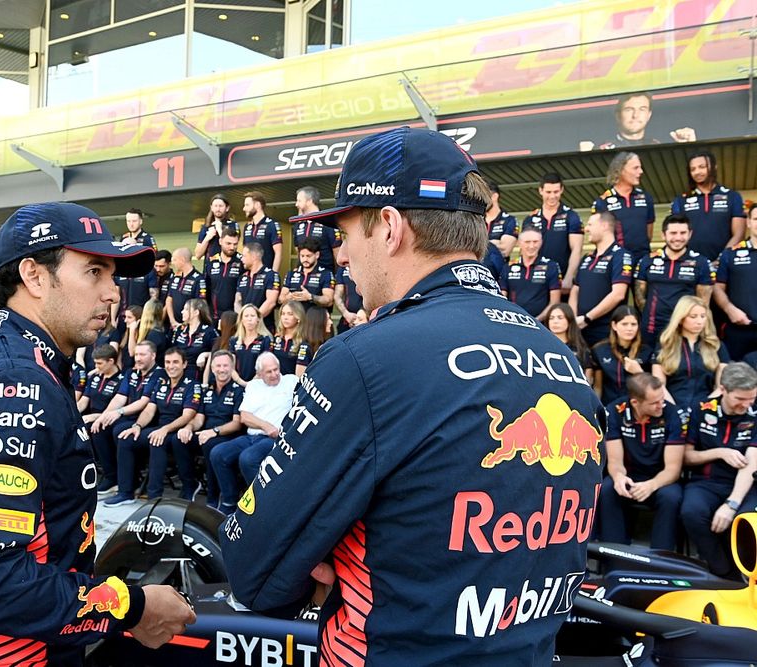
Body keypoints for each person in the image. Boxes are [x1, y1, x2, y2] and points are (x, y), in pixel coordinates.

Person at [220, 127, 604, 665]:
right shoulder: (560, 356)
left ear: (390, 226)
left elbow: (250, 566)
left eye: (346, 231)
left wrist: (327, 559)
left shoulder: (365, 356)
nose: (342, 254)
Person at [0, 201, 193, 665]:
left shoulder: (26, 368)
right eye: (94, 272)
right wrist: (131, 607)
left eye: (113, 276)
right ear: (35, 276)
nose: (113, 294)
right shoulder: (13, 386)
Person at [680, 363, 757, 577]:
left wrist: (731, 504)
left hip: (746, 485)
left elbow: (751, 464)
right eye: (740, 399)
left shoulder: (755, 413)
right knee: (692, 512)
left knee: (745, 520)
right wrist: (720, 452)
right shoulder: (701, 408)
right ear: (723, 390)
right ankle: (724, 574)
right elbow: (687, 456)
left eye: (751, 398)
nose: (747, 404)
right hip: (706, 482)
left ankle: (749, 577)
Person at [599, 373, 685, 550]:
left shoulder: (673, 413)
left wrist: (652, 485)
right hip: (630, 475)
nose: (661, 405)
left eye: (662, 399)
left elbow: (673, 469)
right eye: (654, 403)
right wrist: (619, 478)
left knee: (671, 497)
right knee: (607, 489)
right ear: (635, 402)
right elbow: (615, 462)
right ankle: (615, 557)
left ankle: (661, 560)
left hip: (661, 478)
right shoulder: (615, 411)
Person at [108, 347, 202, 505]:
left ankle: (154, 497)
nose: (171, 366)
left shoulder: (192, 385)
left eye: (175, 362)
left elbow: (188, 415)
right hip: (159, 428)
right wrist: (137, 426)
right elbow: (149, 410)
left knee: (157, 440)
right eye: (168, 362)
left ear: (184, 364)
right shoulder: (161, 382)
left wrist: (165, 430)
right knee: (126, 438)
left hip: (178, 430)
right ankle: (125, 492)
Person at [209, 352, 297, 514]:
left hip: (275, 439)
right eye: (268, 372)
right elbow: (245, 416)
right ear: (260, 374)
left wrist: (275, 430)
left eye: (276, 369)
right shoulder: (254, 386)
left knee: (248, 458)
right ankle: (229, 501)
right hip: (252, 435)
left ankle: (263, 503)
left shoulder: (290, 381)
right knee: (218, 453)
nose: (274, 374)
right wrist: (266, 426)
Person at [634, 213, 714, 347]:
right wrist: (651, 314)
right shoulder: (647, 260)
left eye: (683, 233)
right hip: (651, 329)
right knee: (648, 366)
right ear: (663, 235)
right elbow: (639, 296)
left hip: (683, 329)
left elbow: (703, 302)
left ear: (690, 234)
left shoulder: (701, 262)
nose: (678, 238)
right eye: (673, 233)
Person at [92, 340, 162, 492]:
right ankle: (111, 476)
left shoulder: (159, 374)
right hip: (129, 416)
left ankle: (130, 480)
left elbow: (144, 402)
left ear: (153, 356)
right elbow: (120, 397)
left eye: (142, 354)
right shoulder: (131, 372)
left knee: (120, 431)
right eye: (136, 354)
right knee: (100, 427)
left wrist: (119, 412)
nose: (138, 358)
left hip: (148, 419)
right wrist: (104, 416)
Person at [183, 349, 244, 510]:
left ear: (232, 368)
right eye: (218, 366)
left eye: (225, 365)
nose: (221, 369)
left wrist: (214, 432)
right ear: (212, 368)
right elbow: (199, 418)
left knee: (210, 445)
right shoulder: (207, 389)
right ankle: (190, 486)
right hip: (205, 433)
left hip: (227, 435)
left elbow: (237, 423)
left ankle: (213, 496)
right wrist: (188, 427)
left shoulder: (239, 391)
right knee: (179, 440)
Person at [652, 295, 729, 409]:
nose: (699, 321)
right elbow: (659, 385)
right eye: (693, 317)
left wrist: (704, 407)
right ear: (681, 318)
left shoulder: (716, 345)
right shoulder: (665, 344)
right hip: (672, 405)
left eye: (703, 316)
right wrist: (674, 409)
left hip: (707, 407)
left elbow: (721, 386)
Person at [570, 211, 633, 347]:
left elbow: (618, 294)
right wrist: (574, 319)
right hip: (580, 329)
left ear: (604, 226)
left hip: (605, 331)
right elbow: (575, 290)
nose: (586, 229)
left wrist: (587, 318)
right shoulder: (587, 258)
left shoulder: (621, 256)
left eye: (590, 224)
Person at [670, 151, 746, 261]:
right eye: (693, 169)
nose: (697, 172)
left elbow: (739, 234)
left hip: (725, 265)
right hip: (690, 266)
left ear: (714, 167)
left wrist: (721, 260)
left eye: (702, 167)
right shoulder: (681, 200)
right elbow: (676, 235)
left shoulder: (732, 196)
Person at [519, 173, 583, 290]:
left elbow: (577, 249)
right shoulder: (530, 219)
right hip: (535, 281)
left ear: (562, 190)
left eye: (556, 192)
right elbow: (523, 250)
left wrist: (568, 278)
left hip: (561, 282)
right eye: (548, 192)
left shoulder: (571, 216)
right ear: (540, 191)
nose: (552, 196)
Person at [592, 152, 655, 267]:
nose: (641, 171)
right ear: (620, 170)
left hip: (643, 263)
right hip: (615, 263)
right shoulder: (602, 202)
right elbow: (599, 237)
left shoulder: (646, 198)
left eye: (640, 167)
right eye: (636, 168)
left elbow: (648, 234)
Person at [713, 203, 757, 361]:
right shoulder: (730, 254)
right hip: (738, 329)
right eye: (756, 219)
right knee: (736, 378)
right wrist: (729, 309)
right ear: (749, 222)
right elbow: (717, 288)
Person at [592, 92, 696, 149]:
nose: (635, 115)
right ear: (618, 115)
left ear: (649, 115)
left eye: (642, 109)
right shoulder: (601, 149)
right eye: (629, 109)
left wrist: (689, 148)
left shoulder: (658, 147)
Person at [591, 306, 651, 405]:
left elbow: (653, 387)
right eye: (624, 324)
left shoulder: (646, 351)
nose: (629, 328)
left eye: (633, 324)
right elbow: (598, 386)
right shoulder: (600, 350)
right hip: (610, 405)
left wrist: (639, 372)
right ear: (614, 325)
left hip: (637, 407)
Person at [503, 226, 561, 321]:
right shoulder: (507, 267)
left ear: (541, 242)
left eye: (535, 242)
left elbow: (554, 302)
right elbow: (502, 299)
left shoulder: (551, 266)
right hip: (514, 322)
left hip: (541, 324)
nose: (531, 246)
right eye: (527, 242)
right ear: (519, 243)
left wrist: (536, 320)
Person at [279, 238, 336, 314]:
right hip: (295, 320)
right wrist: (289, 297)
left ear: (317, 255)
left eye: (308, 256)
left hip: (315, 320)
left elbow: (329, 300)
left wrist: (310, 297)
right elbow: (280, 299)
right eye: (302, 256)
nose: (305, 259)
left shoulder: (326, 274)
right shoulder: (291, 274)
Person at [293, 186, 342, 272]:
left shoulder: (327, 223)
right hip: (303, 278)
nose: (296, 204)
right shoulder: (298, 225)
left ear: (309, 201)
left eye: (299, 200)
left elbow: (337, 253)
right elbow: (298, 252)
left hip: (326, 279)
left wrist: (338, 278)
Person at [234, 241, 280, 332]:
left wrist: (254, 320)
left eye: (244, 256)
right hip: (244, 329)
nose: (242, 259)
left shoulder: (270, 275)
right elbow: (237, 302)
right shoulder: (243, 277)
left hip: (264, 328)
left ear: (254, 257)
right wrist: (243, 319)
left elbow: (271, 302)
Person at [169, 298, 216, 382]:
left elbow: (218, 352)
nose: (182, 312)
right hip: (177, 372)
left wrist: (205, 354)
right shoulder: (180, 330)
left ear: (196, 312)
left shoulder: (209, 331)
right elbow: (172, 351)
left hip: (197, 375)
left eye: (186, 309)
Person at [226, 303, 271, 385]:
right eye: (246, 316)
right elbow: (231, 366)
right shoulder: (234, 340)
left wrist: (251, 384)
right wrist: (241, 382)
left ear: (258, 319)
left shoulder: (265, 340)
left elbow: (265, 366)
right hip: (237, 384)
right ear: (242, 320)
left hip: (259, 384)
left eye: (252, 316)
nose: (249, 319)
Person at [546, 303, 593, 381]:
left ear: (569, 320)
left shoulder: (580, 348)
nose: (555, 321)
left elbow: (587, 380)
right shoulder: (541, 346)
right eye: (551, 318)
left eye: (560, 318)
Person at [78, 345, 124, 425]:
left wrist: (97, 417)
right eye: (95, 363)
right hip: (90, 416)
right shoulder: (95, 377)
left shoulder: (122, 380)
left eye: (99, 363)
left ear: (111, 361)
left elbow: (117, 408)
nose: (96, 366)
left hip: (109, 419)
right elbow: (83, 401)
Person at [204, 228, 243, 320]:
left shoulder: (242, 262)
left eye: (235, 244)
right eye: (228, 243)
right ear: (220, 241)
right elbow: (206, 288)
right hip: (213, 315)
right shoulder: (211, 261)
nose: (232, 247)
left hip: (234, 316)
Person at [164, 248, 206, 329]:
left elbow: (200, 304)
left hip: (189, 326)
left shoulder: (198, 279)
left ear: (182, 260)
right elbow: (169, 299)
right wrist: (172, 321)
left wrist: (185, 324)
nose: (173, 263)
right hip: (174, 325)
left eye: (175, 260)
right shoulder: (175, 278)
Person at [242, 191, 282, 273]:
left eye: (247, 205)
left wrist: (273, 276)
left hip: (266, 277)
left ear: (257, 205)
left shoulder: (272, 225)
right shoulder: (247, 227)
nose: (244, 208)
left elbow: (278, 253)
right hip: (250, 278)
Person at [194, 194, 237, 264]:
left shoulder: (232, 225)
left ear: (227, 208)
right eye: (215, 206)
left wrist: (220, 230)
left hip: (226, 267)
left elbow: (231, 246)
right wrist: (207, 238)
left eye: (221, 206)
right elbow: (198, 255)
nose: (218, 209)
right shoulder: (206, 226)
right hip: (209, 269)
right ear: (211, 207)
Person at [269, 301, 306, 376]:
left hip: (292, 384)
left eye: (290, 314)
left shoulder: (303, 341)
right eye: (283, 314)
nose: (285, 317)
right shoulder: (276, 338)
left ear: (298, 317)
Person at [483, 180, 517, 258]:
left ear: (495, 196)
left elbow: (505, 250)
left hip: (498, 269)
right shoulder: (478, 220)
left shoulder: (510, 220)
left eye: (484, 197)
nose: (481, 201)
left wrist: (478, 245)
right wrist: (495, 243)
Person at [296, 306, 330, 377]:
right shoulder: (305, 347)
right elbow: (300, 376)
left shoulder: (326, 343)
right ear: (318, 322)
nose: (331, 322)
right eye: (327, 319)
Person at [334, 262, 362, 334]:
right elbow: (337, 296)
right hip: (347, 317)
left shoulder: (366, 265)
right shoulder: (342, 269)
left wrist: (363, 315)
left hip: (365, 317)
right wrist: (346, 314)